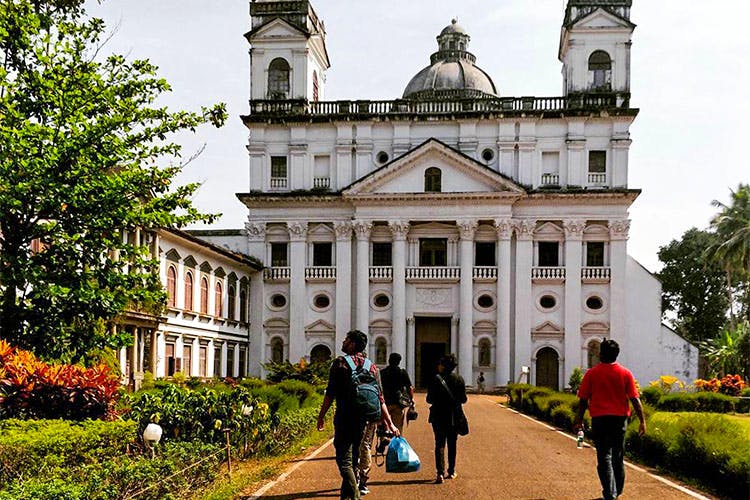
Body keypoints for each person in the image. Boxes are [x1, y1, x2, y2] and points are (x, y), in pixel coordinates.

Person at [317, 330, 399, 500]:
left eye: (346, 339)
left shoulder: (340, 364)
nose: (343, 342)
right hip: (364, 419)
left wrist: (321, 415)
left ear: (352, 344)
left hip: (345, 416)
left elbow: (330, 393)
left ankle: (354, 496)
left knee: (343, 460)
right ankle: (346, 496)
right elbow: (380, 397)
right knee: (353, 459)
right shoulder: (372, 366)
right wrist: (389, 423)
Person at [574, 339, 646, 500]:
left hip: (600, 420)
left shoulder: (591, 374)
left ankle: (610, 493)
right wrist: (642, 421)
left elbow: (583, 400)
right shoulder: (625, 373)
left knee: (604, 456)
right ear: (617, 355)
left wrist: (578, 420)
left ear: (600, 354)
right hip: (620, 420)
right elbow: (635, 399)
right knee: (618, 456)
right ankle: (617, 491)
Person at [426, 353, 467, 484]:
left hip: (438, 416)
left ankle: (440, 473)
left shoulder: (435, 379)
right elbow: (463, 399)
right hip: (454, 416)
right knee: (452, 443)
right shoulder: (459, 379)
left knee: (439, 444)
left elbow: (429, 399)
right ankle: (451, 470)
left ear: (443, 366)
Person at [380, 352, 414, 433]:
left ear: (389, 360)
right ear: (399, 362)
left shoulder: (382, 372)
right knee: (398, 427)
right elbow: (410, 388)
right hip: (398, 403)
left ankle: (383, 440)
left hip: (385, 404)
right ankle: (396, 443)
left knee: (384, 427)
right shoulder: (402, 372)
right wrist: (411, 400)